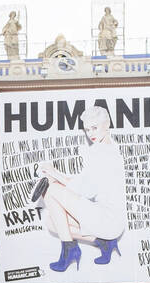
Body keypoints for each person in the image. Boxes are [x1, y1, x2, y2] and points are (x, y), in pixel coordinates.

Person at [35, 105, 127, 271]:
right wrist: (55, 176)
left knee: (50, 190)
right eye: (87, 129)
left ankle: (69, 249)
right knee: (51, 222)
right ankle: (101, 242)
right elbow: (84, 183)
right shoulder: (110, 148)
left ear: (106, 125)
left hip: (108, 217)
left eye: (94, 128)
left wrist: (54, 173)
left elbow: (87, 190)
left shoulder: (101, 152)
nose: (91, 133)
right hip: (108, 218)